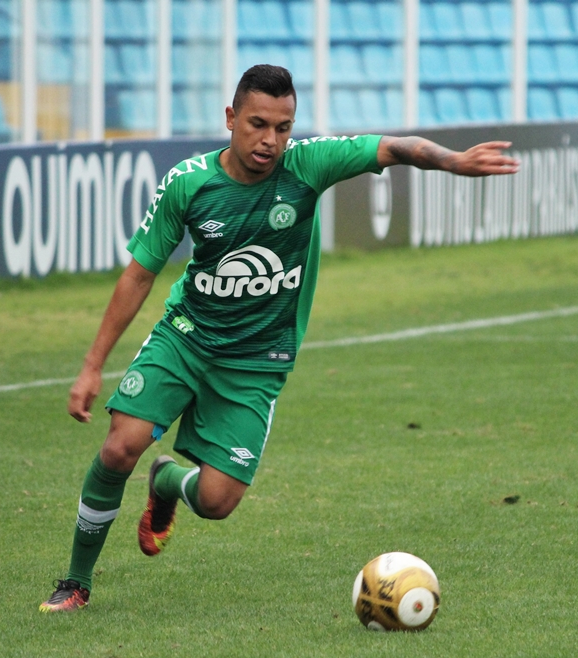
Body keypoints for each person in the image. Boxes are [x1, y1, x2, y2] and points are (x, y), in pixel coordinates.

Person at [39, 64, 519, 612]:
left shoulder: (307, 166)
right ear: (231, 118)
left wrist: (453, 161)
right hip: (187, 338)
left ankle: (167, 482)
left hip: (255, 362)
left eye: (283, 127)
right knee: (119, 447)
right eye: (258, 124)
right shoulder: (188, 183)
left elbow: (394, 147)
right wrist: (92, 365)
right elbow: (139, 275)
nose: (270, 140)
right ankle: (76, 581)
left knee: (217, 502)